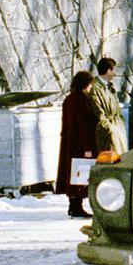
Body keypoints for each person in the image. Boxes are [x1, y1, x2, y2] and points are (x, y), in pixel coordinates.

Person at [55, 70, 97, 218]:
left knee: (72, 175)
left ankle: (73, 206)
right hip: (79, 144)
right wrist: (88, 149)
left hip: (69, 143)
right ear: (85, 85)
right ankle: (76, 207)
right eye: (90, 84)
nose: (91, 87)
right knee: (80, 174)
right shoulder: (82, 101)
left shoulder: (69, 99)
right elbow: (85, 126)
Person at [86, 57, 128, 156]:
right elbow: (98, 112)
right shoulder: (95, 88)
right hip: (108, 134)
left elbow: (117, 109)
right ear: (108, 70)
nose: (115, 74)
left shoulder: (110, 87)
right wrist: (110, 130)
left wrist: (120, 125)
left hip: (117, 130)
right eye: (114, 70)